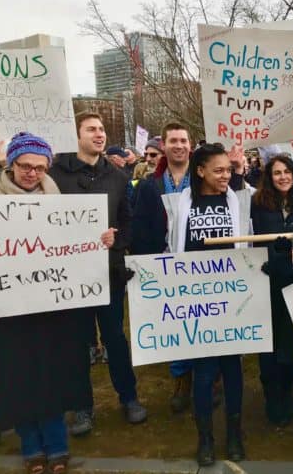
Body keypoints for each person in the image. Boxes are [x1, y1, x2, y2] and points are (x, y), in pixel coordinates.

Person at [0, 133, 115, 474]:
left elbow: (76, 245)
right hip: (10, 310)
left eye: (39, 167)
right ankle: (31, 448)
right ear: (11, 164)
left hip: (52, 307)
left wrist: (102, 238)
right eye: (25, 166)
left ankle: (57, 446)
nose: (32, 173)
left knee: (51, 377)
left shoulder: (58, 198)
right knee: (18, 377)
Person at [49, 112, 147, 436]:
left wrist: (116, 238)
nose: (99, 134)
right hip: (70, 276)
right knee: (76, 343)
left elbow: (128, 221)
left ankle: (129, 397)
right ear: (76, 135)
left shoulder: (117, 177)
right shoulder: (54, 176)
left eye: (102, 129)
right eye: (91, 129)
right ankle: (81, 408)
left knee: (115, 338)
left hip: (108, 273)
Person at [165, 143, 250, 465]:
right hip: (198, 301)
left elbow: (250, 241)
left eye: (228, 170)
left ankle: (234, 434)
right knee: (203, 372)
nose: (225, 175)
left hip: (233, 297)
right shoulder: (180, 204)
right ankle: (205, 439)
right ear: (199, 171)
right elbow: (171, 247)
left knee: (233, 369)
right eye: (218, 170)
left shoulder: (238, 201)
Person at [132, 123, 195, 413]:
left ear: (190, 145)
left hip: (200, 263)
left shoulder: (203, 179)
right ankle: (181, 379)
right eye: (173, 141)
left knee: (204, 319)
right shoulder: (149, 186)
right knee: (176, 322)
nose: (179, 145)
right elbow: (141, 226)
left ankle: (208, 376)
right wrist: (145, 264)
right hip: (165, 264)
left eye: (183, 140)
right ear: (165, 146)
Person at [250, 156, 293, 427]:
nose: (283, 177)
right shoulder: (257, 204)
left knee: (289, 342)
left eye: (287, 171)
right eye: (277, 173)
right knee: (269, 344)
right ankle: (271, 397)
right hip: (266, 282)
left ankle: (286, 393)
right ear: (269, 176)